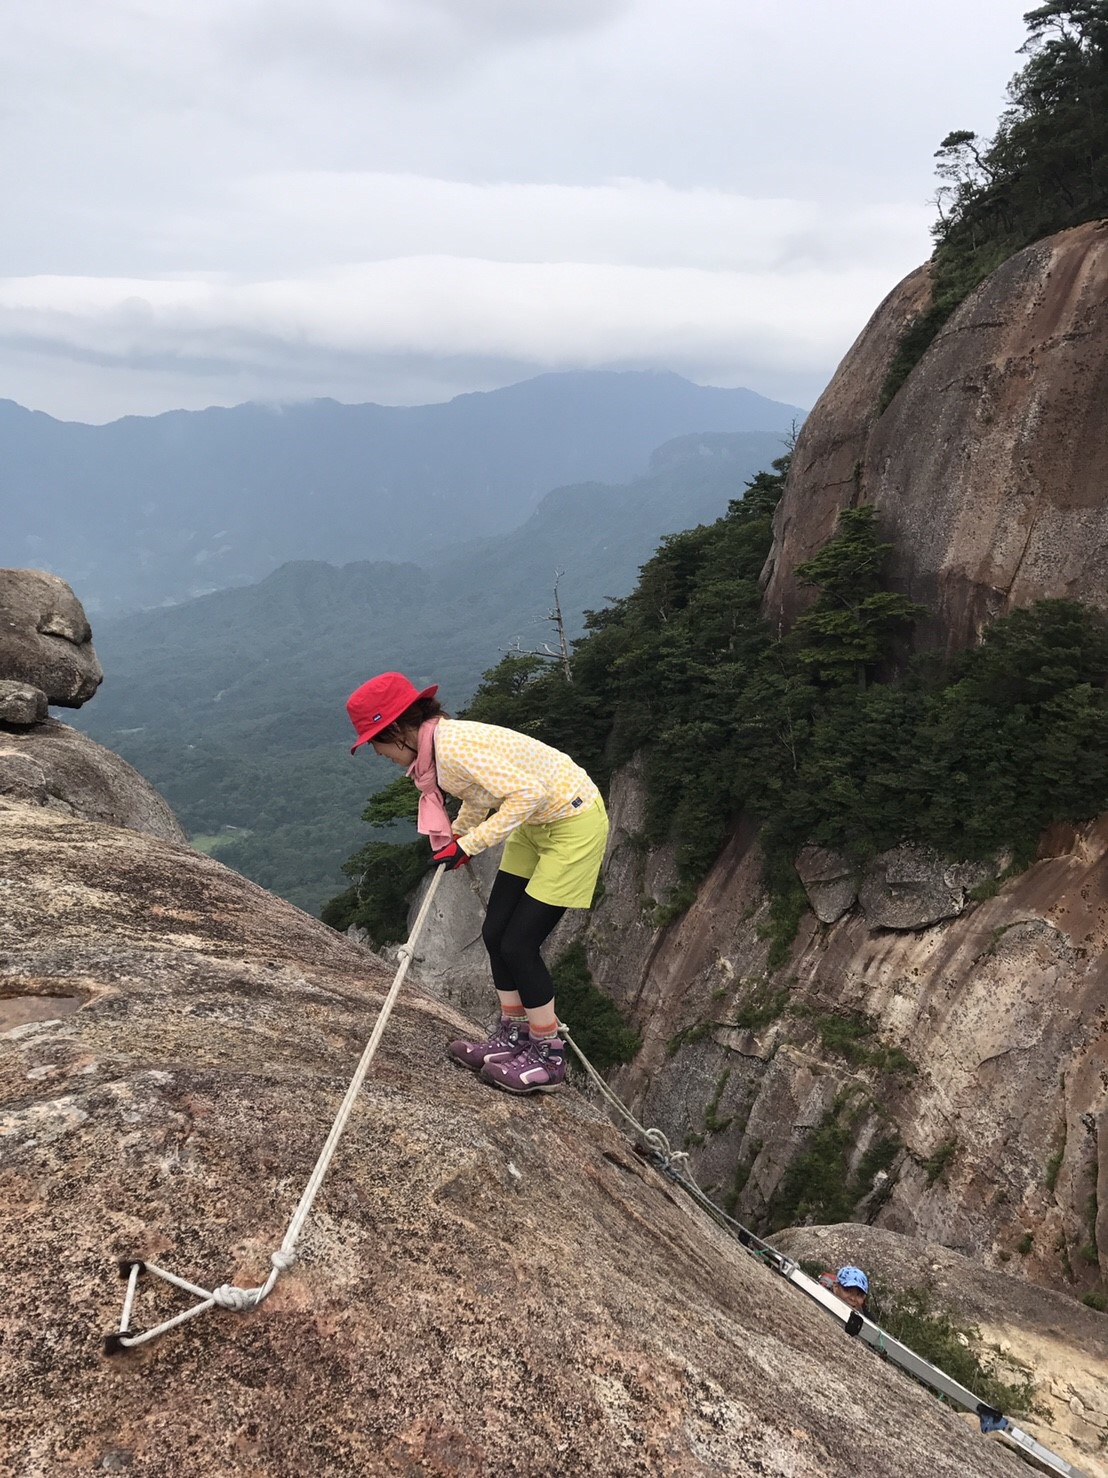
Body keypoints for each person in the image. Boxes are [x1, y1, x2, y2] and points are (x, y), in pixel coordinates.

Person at [346, 671, 609, 1095]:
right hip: (536, 823)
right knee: (495, 931)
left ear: (396, 730)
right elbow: (479, 792)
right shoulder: (436, 750)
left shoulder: (451, 749)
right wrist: (457, 834)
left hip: (571, 822)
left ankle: (548, 1054)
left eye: (377, 745)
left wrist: (470, 843)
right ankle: (513, 1033)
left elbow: (528, 793)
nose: (381, 755)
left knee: (519, 942)